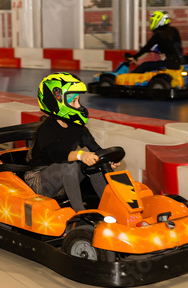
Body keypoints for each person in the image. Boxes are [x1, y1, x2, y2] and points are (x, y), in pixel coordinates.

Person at [25, 72, 119, 212]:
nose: (78, 106)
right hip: (40, 181)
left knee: (94, 164)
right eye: (73, 102)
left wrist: (107, 161)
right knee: (70, 165)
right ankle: (79, 214)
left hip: (63, 181)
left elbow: (96, 148)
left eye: (78, 101)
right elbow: (55, 155)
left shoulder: (78, 127)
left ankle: (111, 208)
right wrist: (81, 155)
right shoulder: (47, 128)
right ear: (56, 101)